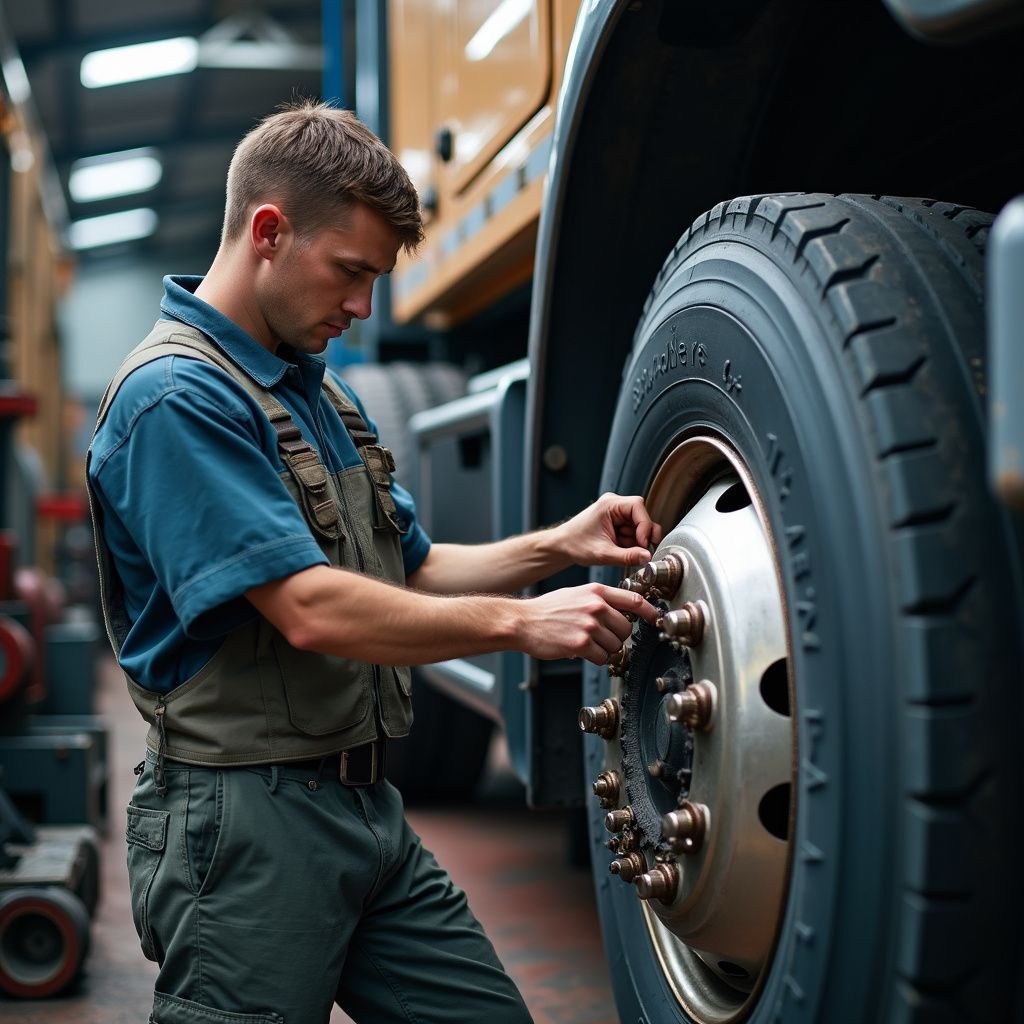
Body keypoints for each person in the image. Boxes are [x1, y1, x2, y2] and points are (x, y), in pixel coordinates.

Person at [87, 100, 662, 1024]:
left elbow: (416, 568)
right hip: (245, 823)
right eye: (350, 272)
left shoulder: (318, 395)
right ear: (267, 231)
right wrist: (524, 624)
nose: (362, 308)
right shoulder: (174, 399)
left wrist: (564, 543)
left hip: (363, 808)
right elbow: (311, 610)